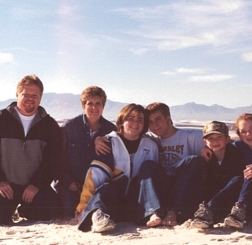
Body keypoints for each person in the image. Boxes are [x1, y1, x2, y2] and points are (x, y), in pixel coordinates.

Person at [0, 74, 61, 226]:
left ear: (41, 98)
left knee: (56, 212)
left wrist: (36, 184)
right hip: (6, 186)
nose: (30, 98)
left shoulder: (49, 125)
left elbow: (53, 160)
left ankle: (20, 211)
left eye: (34, 95)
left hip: (34, 187)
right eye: (26, 94)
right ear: (17, 95)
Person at [95, 102, 208, 227]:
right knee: (148, 165)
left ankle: (173, 212)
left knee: (193, 160)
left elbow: (223, 140)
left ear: (168, 118)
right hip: (162, 187)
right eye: (150, 122)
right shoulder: (149, 138)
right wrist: (99, 139)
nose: (154, 125)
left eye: (158, 119)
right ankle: (153, 212)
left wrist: (204, 147)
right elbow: (125, 134)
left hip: (182, 187)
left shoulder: (191, 136)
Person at [77, 103, 164, 233]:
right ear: (122, 121)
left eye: (140, 120)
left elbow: (153, 180)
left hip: (137, 204)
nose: (135, 123)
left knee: (149, 170)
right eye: (131, 118)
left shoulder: (151, 146)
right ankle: (98, 217)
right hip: (114, 202)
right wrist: (83, 206)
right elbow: (95, 176)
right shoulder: (108, 143)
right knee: (106, 187)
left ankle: (152, 212)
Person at [55, 86, 116, 218]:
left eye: (98, 103)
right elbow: (58, 161)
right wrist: (69, 182)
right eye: (90, 104)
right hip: (71, 184)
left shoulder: (111, 130)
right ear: (83, 106)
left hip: (97, 185)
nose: (94, 108)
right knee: (68, 208)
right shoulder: (69, 128)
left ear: (103, 106)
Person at [188, 121, 245, 230]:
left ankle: (208, 212)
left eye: (219, 137)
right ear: (204, 141)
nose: (215, 142)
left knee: (238, 179)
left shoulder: (236, 154)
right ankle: (205, 214)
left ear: (227, 139)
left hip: (230, 198)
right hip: (211, 197)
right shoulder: (206, 158)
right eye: (211, 138)